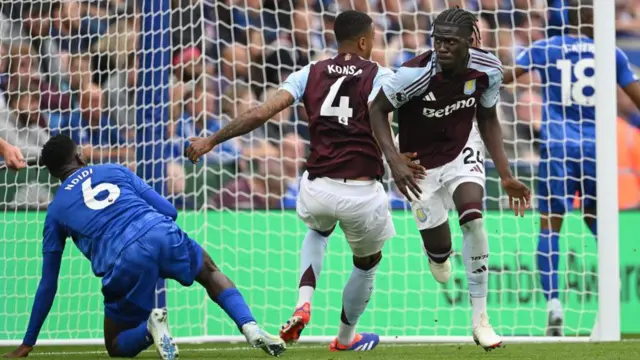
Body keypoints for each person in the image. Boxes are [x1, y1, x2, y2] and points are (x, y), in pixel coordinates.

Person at [186, 10, 423, 352]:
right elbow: (408, 114)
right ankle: (345, 338)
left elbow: (261, 112)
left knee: (318, 231)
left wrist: (211, 140)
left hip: (317, 187)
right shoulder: (381, 76)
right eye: (373, 39)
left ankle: (302, 303)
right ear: (362, 41)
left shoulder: (309, 72)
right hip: (362, 191)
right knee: (367, 263)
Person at [2, 135, 286, 359]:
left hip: (122, 258)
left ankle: (151, 329)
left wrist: (28, 342)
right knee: (209, 271)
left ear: (53, 174)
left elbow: (48, 283)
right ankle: (250, 326)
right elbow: (169, 211)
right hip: (158, 230)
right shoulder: (114, 169)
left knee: (115, 345)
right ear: (80, 156)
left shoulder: (55, 212)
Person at [368, 7, 531, 351]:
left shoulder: (488, 69)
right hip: (418, 165)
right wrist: (393, 159)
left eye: (449, 42)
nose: (441, 48)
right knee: (441, 255)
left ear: (469, 42)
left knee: (472, 218)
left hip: (461, 149)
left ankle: (481, 320)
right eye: (437, 41)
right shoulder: (412, 74)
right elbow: (376, 110)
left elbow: (487, 117)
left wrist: (505, 175)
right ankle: (437, 254)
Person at [503, 0, 640, 336]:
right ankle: (610, 303)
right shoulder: (611, 53)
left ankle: (554, 307)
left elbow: (505, 78)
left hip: (558, 150)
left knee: (550, 226)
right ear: (595, 20)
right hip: (598, 152)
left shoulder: (545, 48)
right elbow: (637, 98)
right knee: (599, 223)